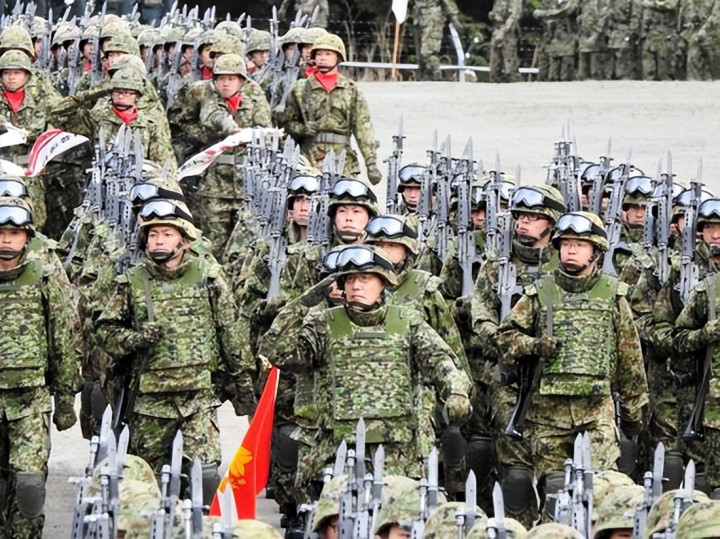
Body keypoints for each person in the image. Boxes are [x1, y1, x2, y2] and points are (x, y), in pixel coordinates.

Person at [95, 199, 256, 504]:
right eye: (153, 234)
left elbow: (232, 335)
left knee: (206, 476)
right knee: (147, 486)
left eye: (167, 234)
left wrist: (245, 390)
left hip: (198, 398)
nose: (158, 240)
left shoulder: (208, 277)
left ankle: (200, 525)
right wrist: (135, 339)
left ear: (185, 240)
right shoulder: (131, 282)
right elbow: (105, 332)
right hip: (149, 403)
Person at [273, 244, 472, 491]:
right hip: (336, 448)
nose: (356, 286)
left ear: (383, 283)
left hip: (398, 451)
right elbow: (277, 352)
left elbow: (440, 359)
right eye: (350, 279)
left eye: (365, 278)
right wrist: (304, 303)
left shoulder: (407, 322)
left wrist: (455, 391)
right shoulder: (322, 325)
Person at [497, 211, 648, 519]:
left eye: (579, 245)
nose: (570, 250)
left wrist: (634, 411)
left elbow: (630, 358)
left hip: (596, 414)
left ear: (596, 251)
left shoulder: (613, 295)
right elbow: (505, 337)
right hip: (547, 416)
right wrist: (534, 345)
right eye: (566, 244)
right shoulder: (540, 292)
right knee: (555, 495)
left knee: (599, 494)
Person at [468, 184, 566, 525]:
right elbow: (480, 316)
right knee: (516, 478)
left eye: (532, 217)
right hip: (508, 381)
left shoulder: (565, 266)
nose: (523, 223)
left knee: (556, 480)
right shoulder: (497, 265)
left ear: (551, 222)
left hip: (556, 385)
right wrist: (510, 343)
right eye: (520, 217)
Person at [0, 197, 80, 537]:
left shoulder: (44, 277)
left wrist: (65, 401)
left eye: (14, 233)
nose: (6, 240)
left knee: (29, 487)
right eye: (0, 233)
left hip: (29, 400)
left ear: (28, 237)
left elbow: (63, 339)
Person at [282, 33, 382, 185]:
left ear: (338, 57)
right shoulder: (300, 89)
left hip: (342, 159)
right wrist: (302, 129)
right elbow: (286, 124)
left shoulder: (350, 90)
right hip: (309, 159)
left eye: (328, 54)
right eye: (319, 54)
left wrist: (371, 162)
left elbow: (363, 127)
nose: (322, 58)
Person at [488, 0, 522, 83]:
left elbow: (514, 17)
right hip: (497, 30)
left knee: (510, 70)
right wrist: (493, 16)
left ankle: (516, 87)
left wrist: (503, 32)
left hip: (508, 34)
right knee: (494, 68)